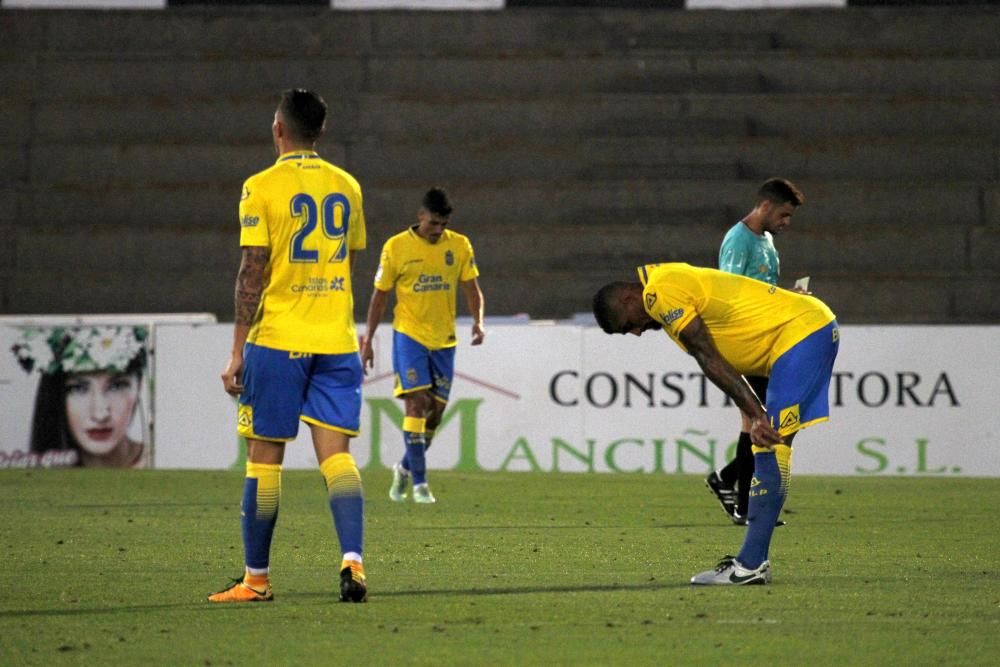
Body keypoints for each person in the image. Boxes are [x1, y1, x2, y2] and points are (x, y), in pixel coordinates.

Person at [209, 89, 369, 604]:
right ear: (319, 131)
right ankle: (353, 563)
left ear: (278, 128)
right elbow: (348, 260)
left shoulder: (260, 187)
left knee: (264, 460)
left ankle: (256, 580)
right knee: (337, 459)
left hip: (279, 339)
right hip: (336, 339)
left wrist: (237, 350)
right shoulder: (348, 187)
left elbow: (251, 270)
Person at [592, 262, 838, 585]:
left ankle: (749, 566)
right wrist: (755, 411)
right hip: (805, 332)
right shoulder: (668, 283)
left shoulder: (659, 293)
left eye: (627, 327)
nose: (637, 332)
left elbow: (707, 355)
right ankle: (752, 562)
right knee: (772, 446)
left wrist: (756, 413)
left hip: (800, 336)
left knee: (769, 445)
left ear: (626, 299)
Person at [360, 187, 484, 504]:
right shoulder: (396, 247)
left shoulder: (459, 246)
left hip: (444, 339)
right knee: (415, 403)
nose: (438, 231)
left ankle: (404, 468)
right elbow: (380, 296)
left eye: (443, 225)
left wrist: (478, 321)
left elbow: (472, 288)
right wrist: (369, 340)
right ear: (420, 216)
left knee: (435, 415)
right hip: (409, 335)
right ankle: (420, 484)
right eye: (433, 224)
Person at [707, 178, 805, 525]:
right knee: (760, 418)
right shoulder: (738, 239)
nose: (786, 223)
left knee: (757, 420)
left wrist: (788, 297)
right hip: (743, 340)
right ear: (765, 206)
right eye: (783, 214)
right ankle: (747, 505)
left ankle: (730, 483)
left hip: (763, 339)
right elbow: (730, 294)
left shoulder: (765, 241)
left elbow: (762, 291)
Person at [12, 326, 148, 468]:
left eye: (117, 386)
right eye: (79, 388)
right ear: (55, 395)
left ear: (138, 387)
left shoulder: (163, 461)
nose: (100, 414)